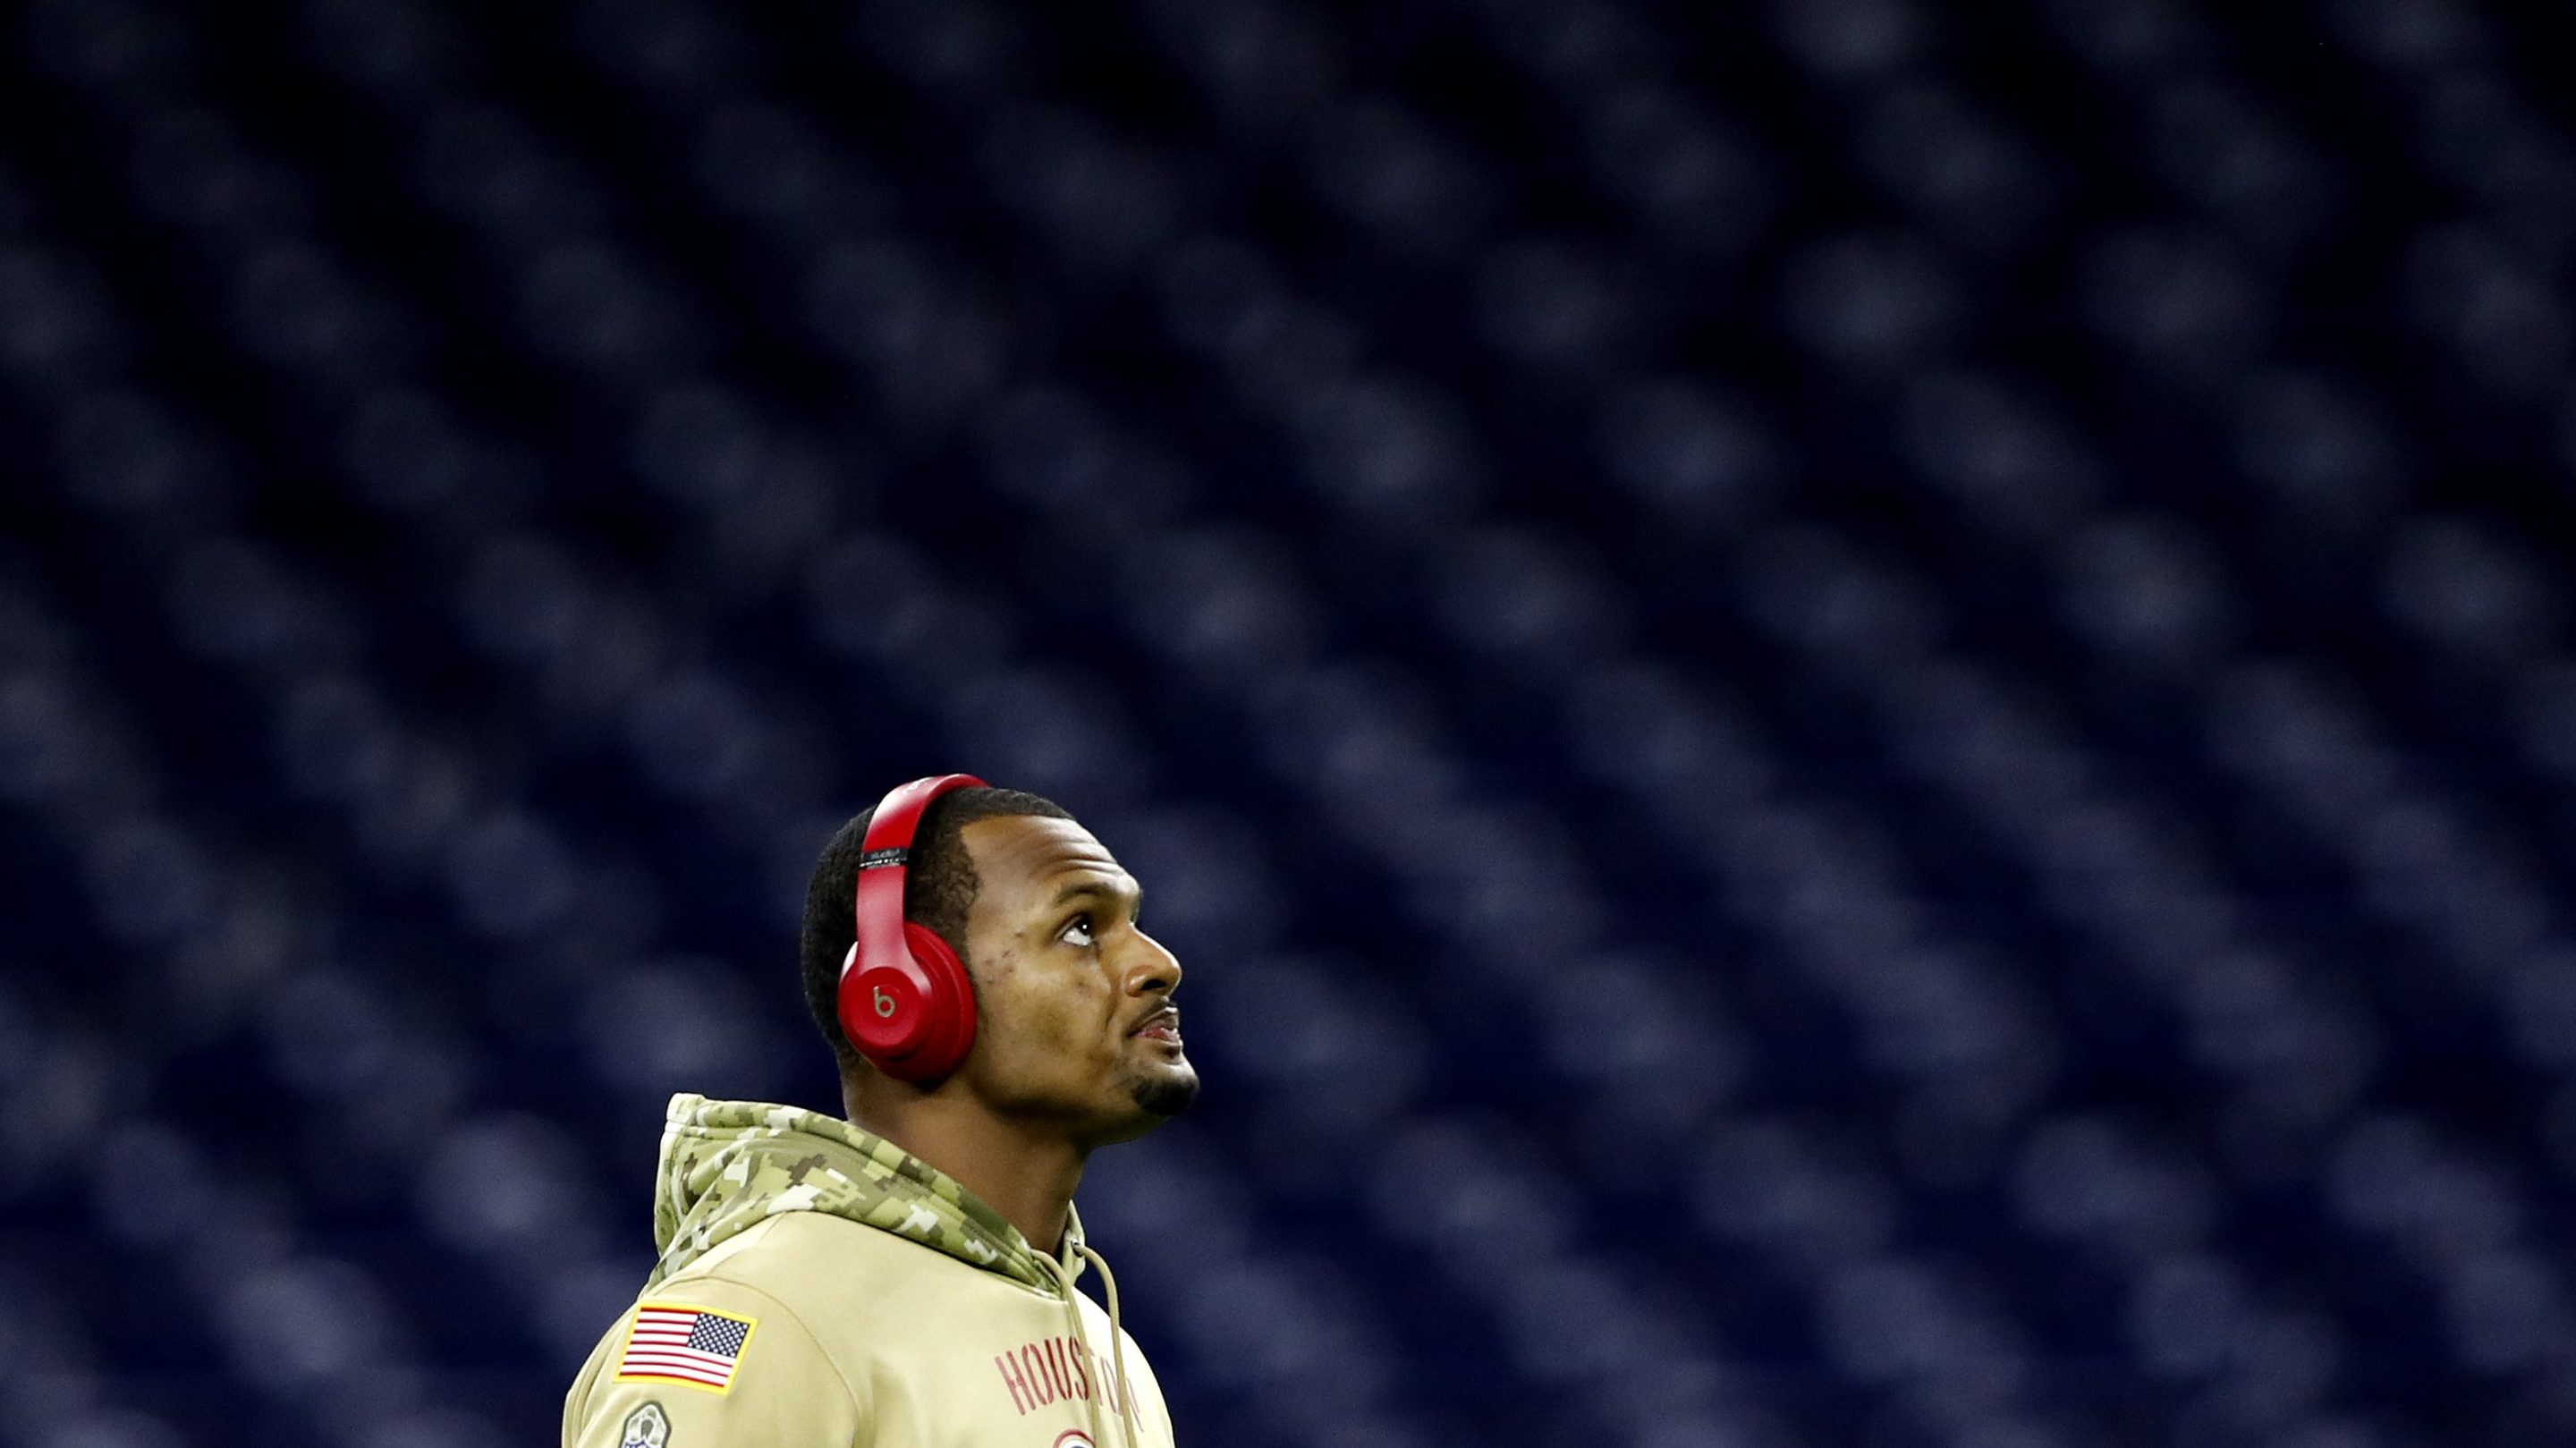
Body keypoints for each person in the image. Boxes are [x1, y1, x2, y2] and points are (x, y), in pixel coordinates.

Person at [562, 777, 1198, 1448]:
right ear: (902, 996)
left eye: (1134, 923)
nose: (1158, 963)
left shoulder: (1108, 1349)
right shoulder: (751, 1314)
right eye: (1079, 928)